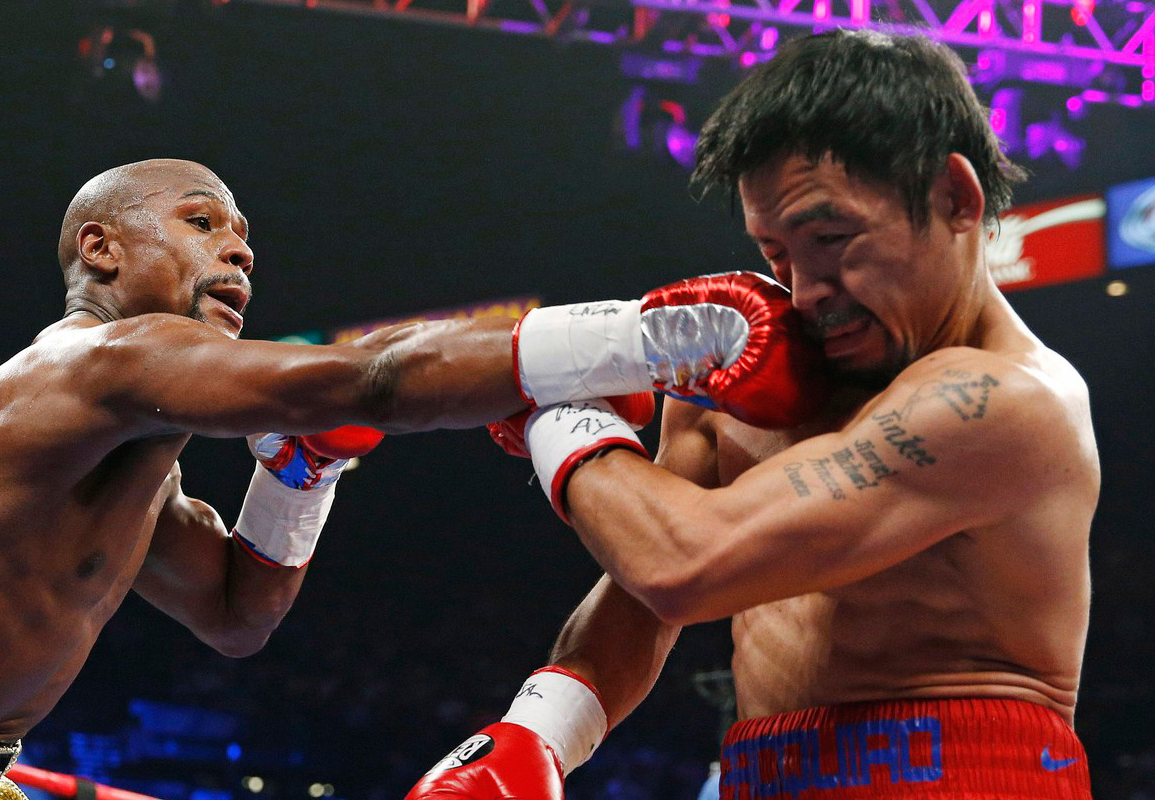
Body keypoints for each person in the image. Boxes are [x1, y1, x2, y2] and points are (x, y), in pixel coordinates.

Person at [0, 158, 824, 800]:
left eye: (245, 240)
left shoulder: (130, 458)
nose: (238, 252)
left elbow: (237, 615)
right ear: (101, 248)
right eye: (201, 222)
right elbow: (369, 377)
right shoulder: (90, 360)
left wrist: (298, 477)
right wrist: (657, 337)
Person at [407, 29, 1099, 800]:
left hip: (973, 775)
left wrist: (558, 414)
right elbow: (641, 585)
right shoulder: (737, 383)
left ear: (954, 198)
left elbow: (681, 564)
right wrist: (540, 733)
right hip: (762, 773)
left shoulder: (1010, 400)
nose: (805, 291)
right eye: (775, 253)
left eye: (831, 238)